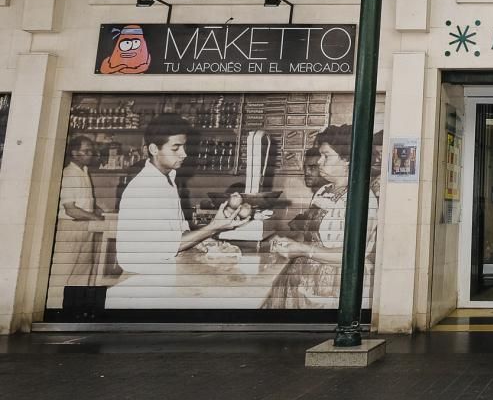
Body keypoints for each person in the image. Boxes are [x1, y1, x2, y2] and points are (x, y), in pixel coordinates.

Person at [110, 114, 246, 304]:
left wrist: (203, 242)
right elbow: (171, 244)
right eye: (176, 148)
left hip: (163, 274)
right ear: (153, 149)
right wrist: (213, 227)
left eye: (184, 147)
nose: (184, 154)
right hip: (141, 282)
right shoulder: (144, 188)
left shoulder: (169, 180)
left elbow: (180, 230)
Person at [264, 125, 381, 309]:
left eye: (326, 156)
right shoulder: (323, 191)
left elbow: (353, 255)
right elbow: (310, 235)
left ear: (347, 160)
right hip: (302, 277)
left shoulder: (362, 198)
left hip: (333, 285)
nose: (319, 162)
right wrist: (287, 243)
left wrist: (303, 249)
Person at [56, 135, 104, 291]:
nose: (91, 154)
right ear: (75, 153)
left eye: (91, 151)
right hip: (70, 228)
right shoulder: (69, 174)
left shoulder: (83, 171)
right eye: (87, 151)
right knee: (64, 273)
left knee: (82, 274)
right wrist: (95, 217)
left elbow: (81, 201)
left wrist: (95, 208)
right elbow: (71, 210)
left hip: (85, 227)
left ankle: (74, 309)